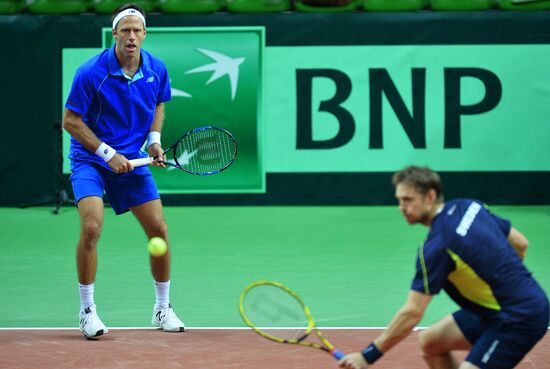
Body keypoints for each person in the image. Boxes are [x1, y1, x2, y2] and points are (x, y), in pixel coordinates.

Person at [339, 166, 548, 369]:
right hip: (503, 308)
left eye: (408, 200)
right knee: (430, 342)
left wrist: (368, 356)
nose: (401, 208)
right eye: (399, 200)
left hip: (518, 320)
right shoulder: (469, 206)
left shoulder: (438, 247)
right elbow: (521, 244)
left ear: (430, 196)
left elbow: (412, 312)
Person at [62, 3, 185, 338]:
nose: (131, 36)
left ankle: (162, 308)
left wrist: (155, 141)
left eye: (137, 30)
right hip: (91, 159)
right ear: (114, 33)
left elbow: (159, 102)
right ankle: (87, 311)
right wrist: (107, 153)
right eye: (125, 30)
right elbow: (70, 121)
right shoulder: (91, 72)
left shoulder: (156, 68)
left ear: (144, 34)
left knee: (159, 229)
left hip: (132, 160)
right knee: (91, 228)